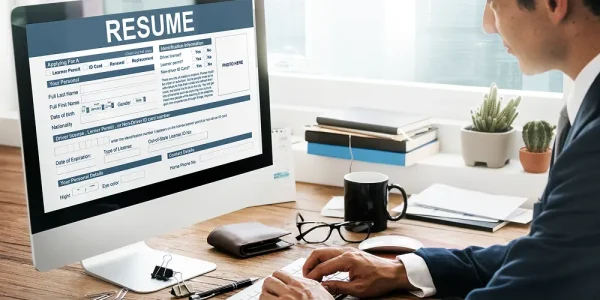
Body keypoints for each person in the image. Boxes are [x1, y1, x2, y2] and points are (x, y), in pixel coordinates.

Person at [259, 0, 600, 299]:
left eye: (494, 2)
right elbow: (548, 254)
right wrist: (405, 270)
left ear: (554, 3)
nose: (487, 25)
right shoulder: (584, 103)